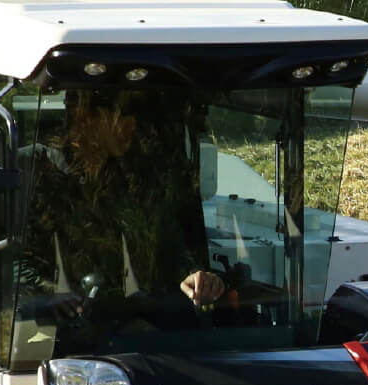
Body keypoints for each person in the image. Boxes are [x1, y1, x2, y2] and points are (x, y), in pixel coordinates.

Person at [15, 88, 240, 350]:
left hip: (134, 337)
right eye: (121, 115)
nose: (132, 126)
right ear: (89, 116)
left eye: (137, 118)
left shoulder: (136, 180)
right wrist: (49, 293)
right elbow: (9, 266)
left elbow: (169, 250)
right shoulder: (38, 170)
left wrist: (194, 276)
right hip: (57, 345)